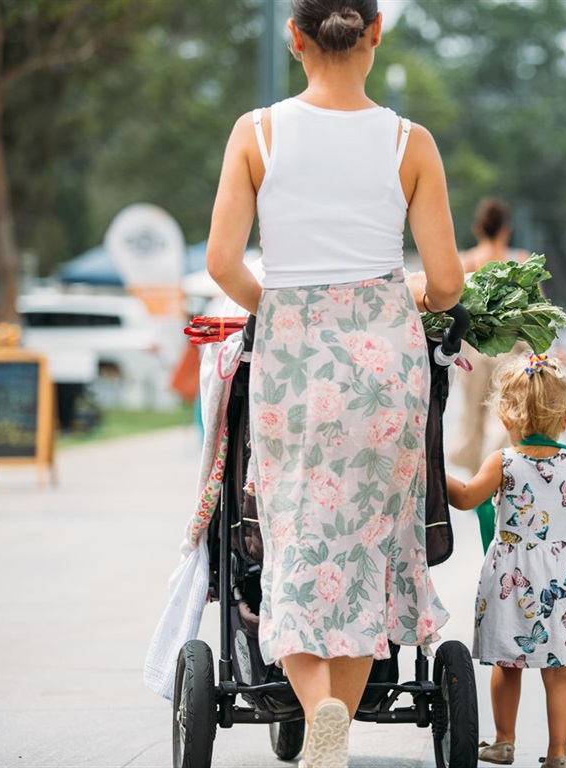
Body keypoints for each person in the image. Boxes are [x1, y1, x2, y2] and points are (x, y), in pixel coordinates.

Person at [204, 1, 464, 766]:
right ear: (376, 35)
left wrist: (286, 313)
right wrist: (396, 298)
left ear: (295, 37)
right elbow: (446, 283)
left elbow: (224, 262)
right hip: (387, 365)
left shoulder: (257, 133)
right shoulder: (408, 142)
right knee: (366, 553)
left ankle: (317, 708)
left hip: (294, 364)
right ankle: (334, 726)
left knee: (294, 540)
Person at [445, 352, 566, 768]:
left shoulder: (503, 462)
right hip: (565, 579)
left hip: (513, 577)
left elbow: (468, 498)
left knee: (507, 664)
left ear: (506, 420)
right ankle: (559, 752)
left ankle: (504, 741)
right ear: (565, 420)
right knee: (560, 672)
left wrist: (436, 474)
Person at [449, 197, 528, 475]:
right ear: (506, 229)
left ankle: (476, 479)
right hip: (509, 349)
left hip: (472, 349)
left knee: (473, 414)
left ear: (478, 228)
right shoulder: (520, 262)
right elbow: (534, 309)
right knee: (505, 413)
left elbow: (451, 305)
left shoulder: (467, 261)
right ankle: (498, 472)